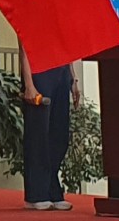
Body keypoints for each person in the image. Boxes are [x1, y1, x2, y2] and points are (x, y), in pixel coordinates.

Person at [20, 47, 79, 210]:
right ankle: (36, 194)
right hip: (39, 72)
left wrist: (73, 80)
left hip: (62, 71)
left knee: (59, 134)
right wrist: (28, 84)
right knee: (38, 135)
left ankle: (53, 190)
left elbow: (67, 45)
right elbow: (24, 48)